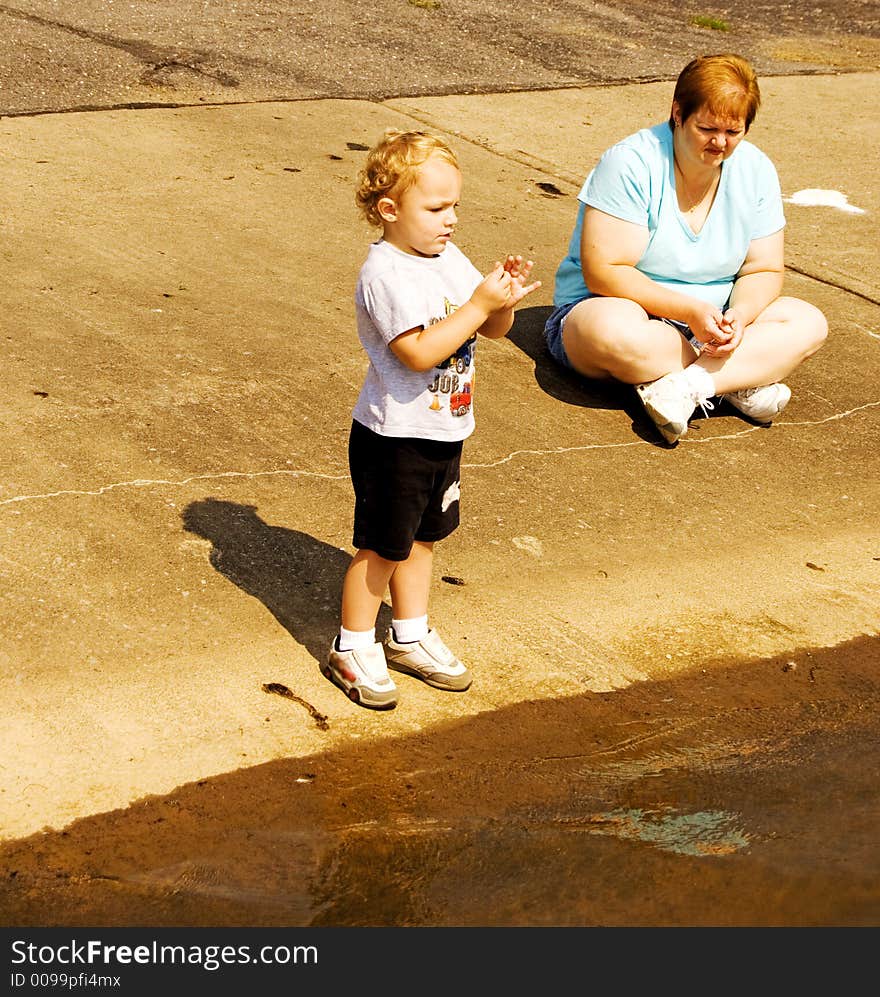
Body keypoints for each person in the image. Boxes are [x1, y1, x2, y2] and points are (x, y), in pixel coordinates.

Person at [325, 128, 540, 709]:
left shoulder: (447, 258)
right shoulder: (387, 274)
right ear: (390, 211)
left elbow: (490, 331)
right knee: (381, 547)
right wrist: (476, 306)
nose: (450, 220)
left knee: (424, 539)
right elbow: (417, 352)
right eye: (436, 207)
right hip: (394, 435)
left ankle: (409, 633)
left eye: (455, 207)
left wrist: (502, 302)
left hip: (445, 428)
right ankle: (351, 645)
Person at [543, 52, 828, 444]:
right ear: (677, 113)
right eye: (707, 128)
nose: (719, 144)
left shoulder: (756, 169)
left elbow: (762, 268)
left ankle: (686, 387)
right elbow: (605, 271)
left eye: (734, 132)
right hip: (623, 308)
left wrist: (741, 318)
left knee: (809, 322)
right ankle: (738, 378)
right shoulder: (630, 163)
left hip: (715, 318)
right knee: (610, 331)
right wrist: (690, 311)